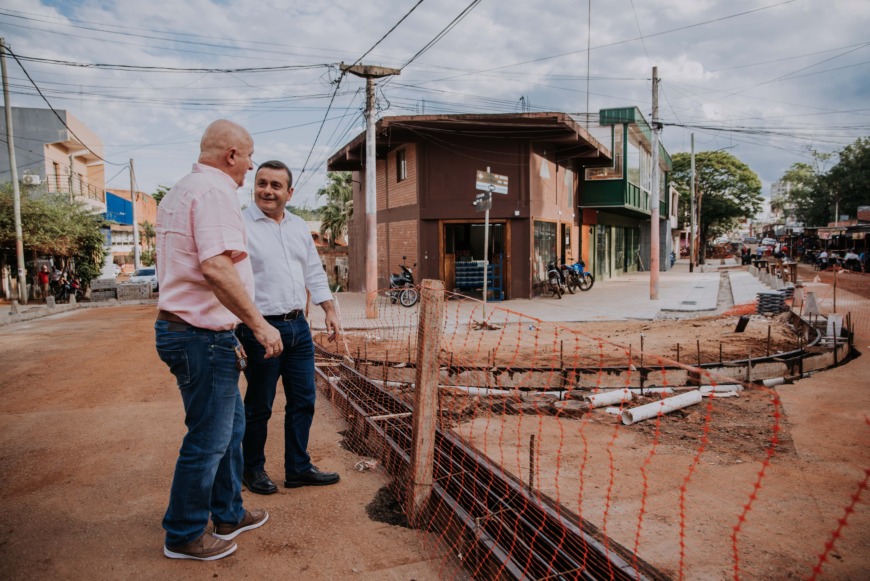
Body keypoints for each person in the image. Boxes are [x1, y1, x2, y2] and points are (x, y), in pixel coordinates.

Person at [154, 120, 283, 561]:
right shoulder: (215, 193)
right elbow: (216, 267)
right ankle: (184, 533)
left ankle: (228, 511)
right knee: (209, 437)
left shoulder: (183, 189)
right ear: (232, 155)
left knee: (230, 429)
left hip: (199, 333)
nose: (250, 165)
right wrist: (259, 324)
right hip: (199, 335)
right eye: (249, 157)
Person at [237, 159, 342, 496]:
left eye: (275, 185)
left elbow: (314, 271)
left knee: (303, 401)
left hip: (298, 328)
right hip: (260, 331)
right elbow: (231, 281)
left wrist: (329, 309)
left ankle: (297, 468)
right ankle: (252, 469)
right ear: (254, 186)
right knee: (259, 405)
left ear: (289, 191)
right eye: (262, 183)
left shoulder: (298, 226)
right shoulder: (240, 225)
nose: (267, 190)